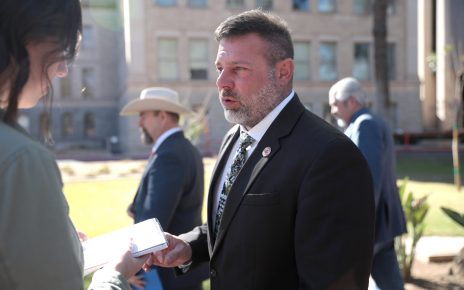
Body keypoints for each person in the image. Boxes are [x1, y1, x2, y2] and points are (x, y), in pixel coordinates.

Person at [144, 9, 375, 290]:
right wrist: (188, 246)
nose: (221, 83)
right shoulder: (234, 137)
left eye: (238, 69)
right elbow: (236, 225)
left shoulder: (330, 157)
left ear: (283, 72)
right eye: (220, 69)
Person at [0, 0, 148, 289]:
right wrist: (114, 273)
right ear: (29, 38)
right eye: (63, 48)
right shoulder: (22, 159)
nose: (64, 70)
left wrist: (60, 239)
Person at [120, 87, 209, 290]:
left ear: (162, 116)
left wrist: (130, 269)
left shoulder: (169, 155)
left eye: (143, 115)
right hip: (180, 272)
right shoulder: (185, 148)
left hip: (166, 275)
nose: (139, 122)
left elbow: (153, 221)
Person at [328, 77, 407, 290]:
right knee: (388, 281)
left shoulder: (365, 125)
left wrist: (359, 225)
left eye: (335, 103)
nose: (333, 111)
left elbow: (368, 180)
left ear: (352, 101)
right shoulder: (369, 121)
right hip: (380, 223)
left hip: (371, 224)